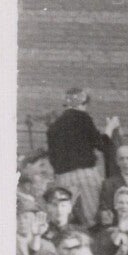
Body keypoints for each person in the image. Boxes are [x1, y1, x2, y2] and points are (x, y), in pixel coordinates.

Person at [46, 87, 119, 227]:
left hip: (62, 178)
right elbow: (102, 145)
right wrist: (110, 128)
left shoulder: (54, 126)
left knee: (69, 220)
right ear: (82, 104)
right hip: (84, 176)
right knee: (91, 218)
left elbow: (53, 159)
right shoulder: (83, 118)